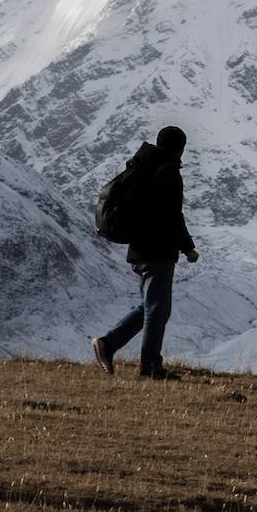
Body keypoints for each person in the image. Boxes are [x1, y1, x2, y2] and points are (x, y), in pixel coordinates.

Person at [91, 125, 199, 380]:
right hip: (158, 249)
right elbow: (173, 216)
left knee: (152, 308)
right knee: (156, 310)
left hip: (141, 248)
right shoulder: (168, 172)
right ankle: (150, 367)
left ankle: (109, 344)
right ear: (180, 149)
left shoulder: (145, 167)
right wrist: (188, 247)